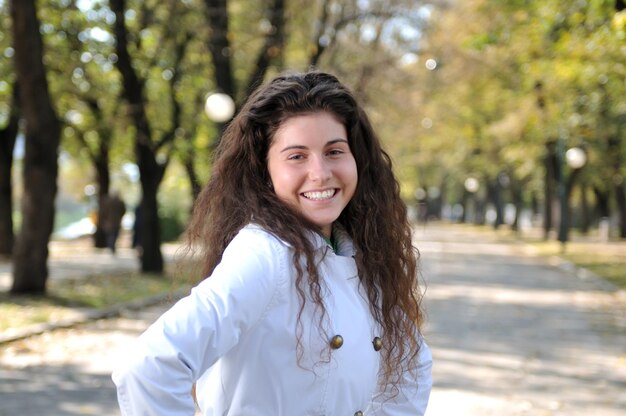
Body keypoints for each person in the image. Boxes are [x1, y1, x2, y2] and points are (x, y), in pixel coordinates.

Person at [112, 70, 432, 415]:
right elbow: (149, 368)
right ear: (266, 171)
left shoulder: (359, 254)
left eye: (334, 151)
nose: (321, 172)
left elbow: (413, 368)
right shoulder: (265, 253)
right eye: (297, 156)